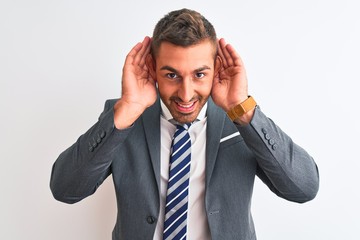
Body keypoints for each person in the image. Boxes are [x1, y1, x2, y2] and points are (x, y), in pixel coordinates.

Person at [50, 8, 319, 240]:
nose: (186, 93)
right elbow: (65, 190)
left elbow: (303, 188)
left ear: (217, 68)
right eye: (171, 75)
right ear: (153, 68)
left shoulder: (239, 119)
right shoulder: (125, 116)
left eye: (199, 74)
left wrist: (244, 110)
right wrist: (127, 111)